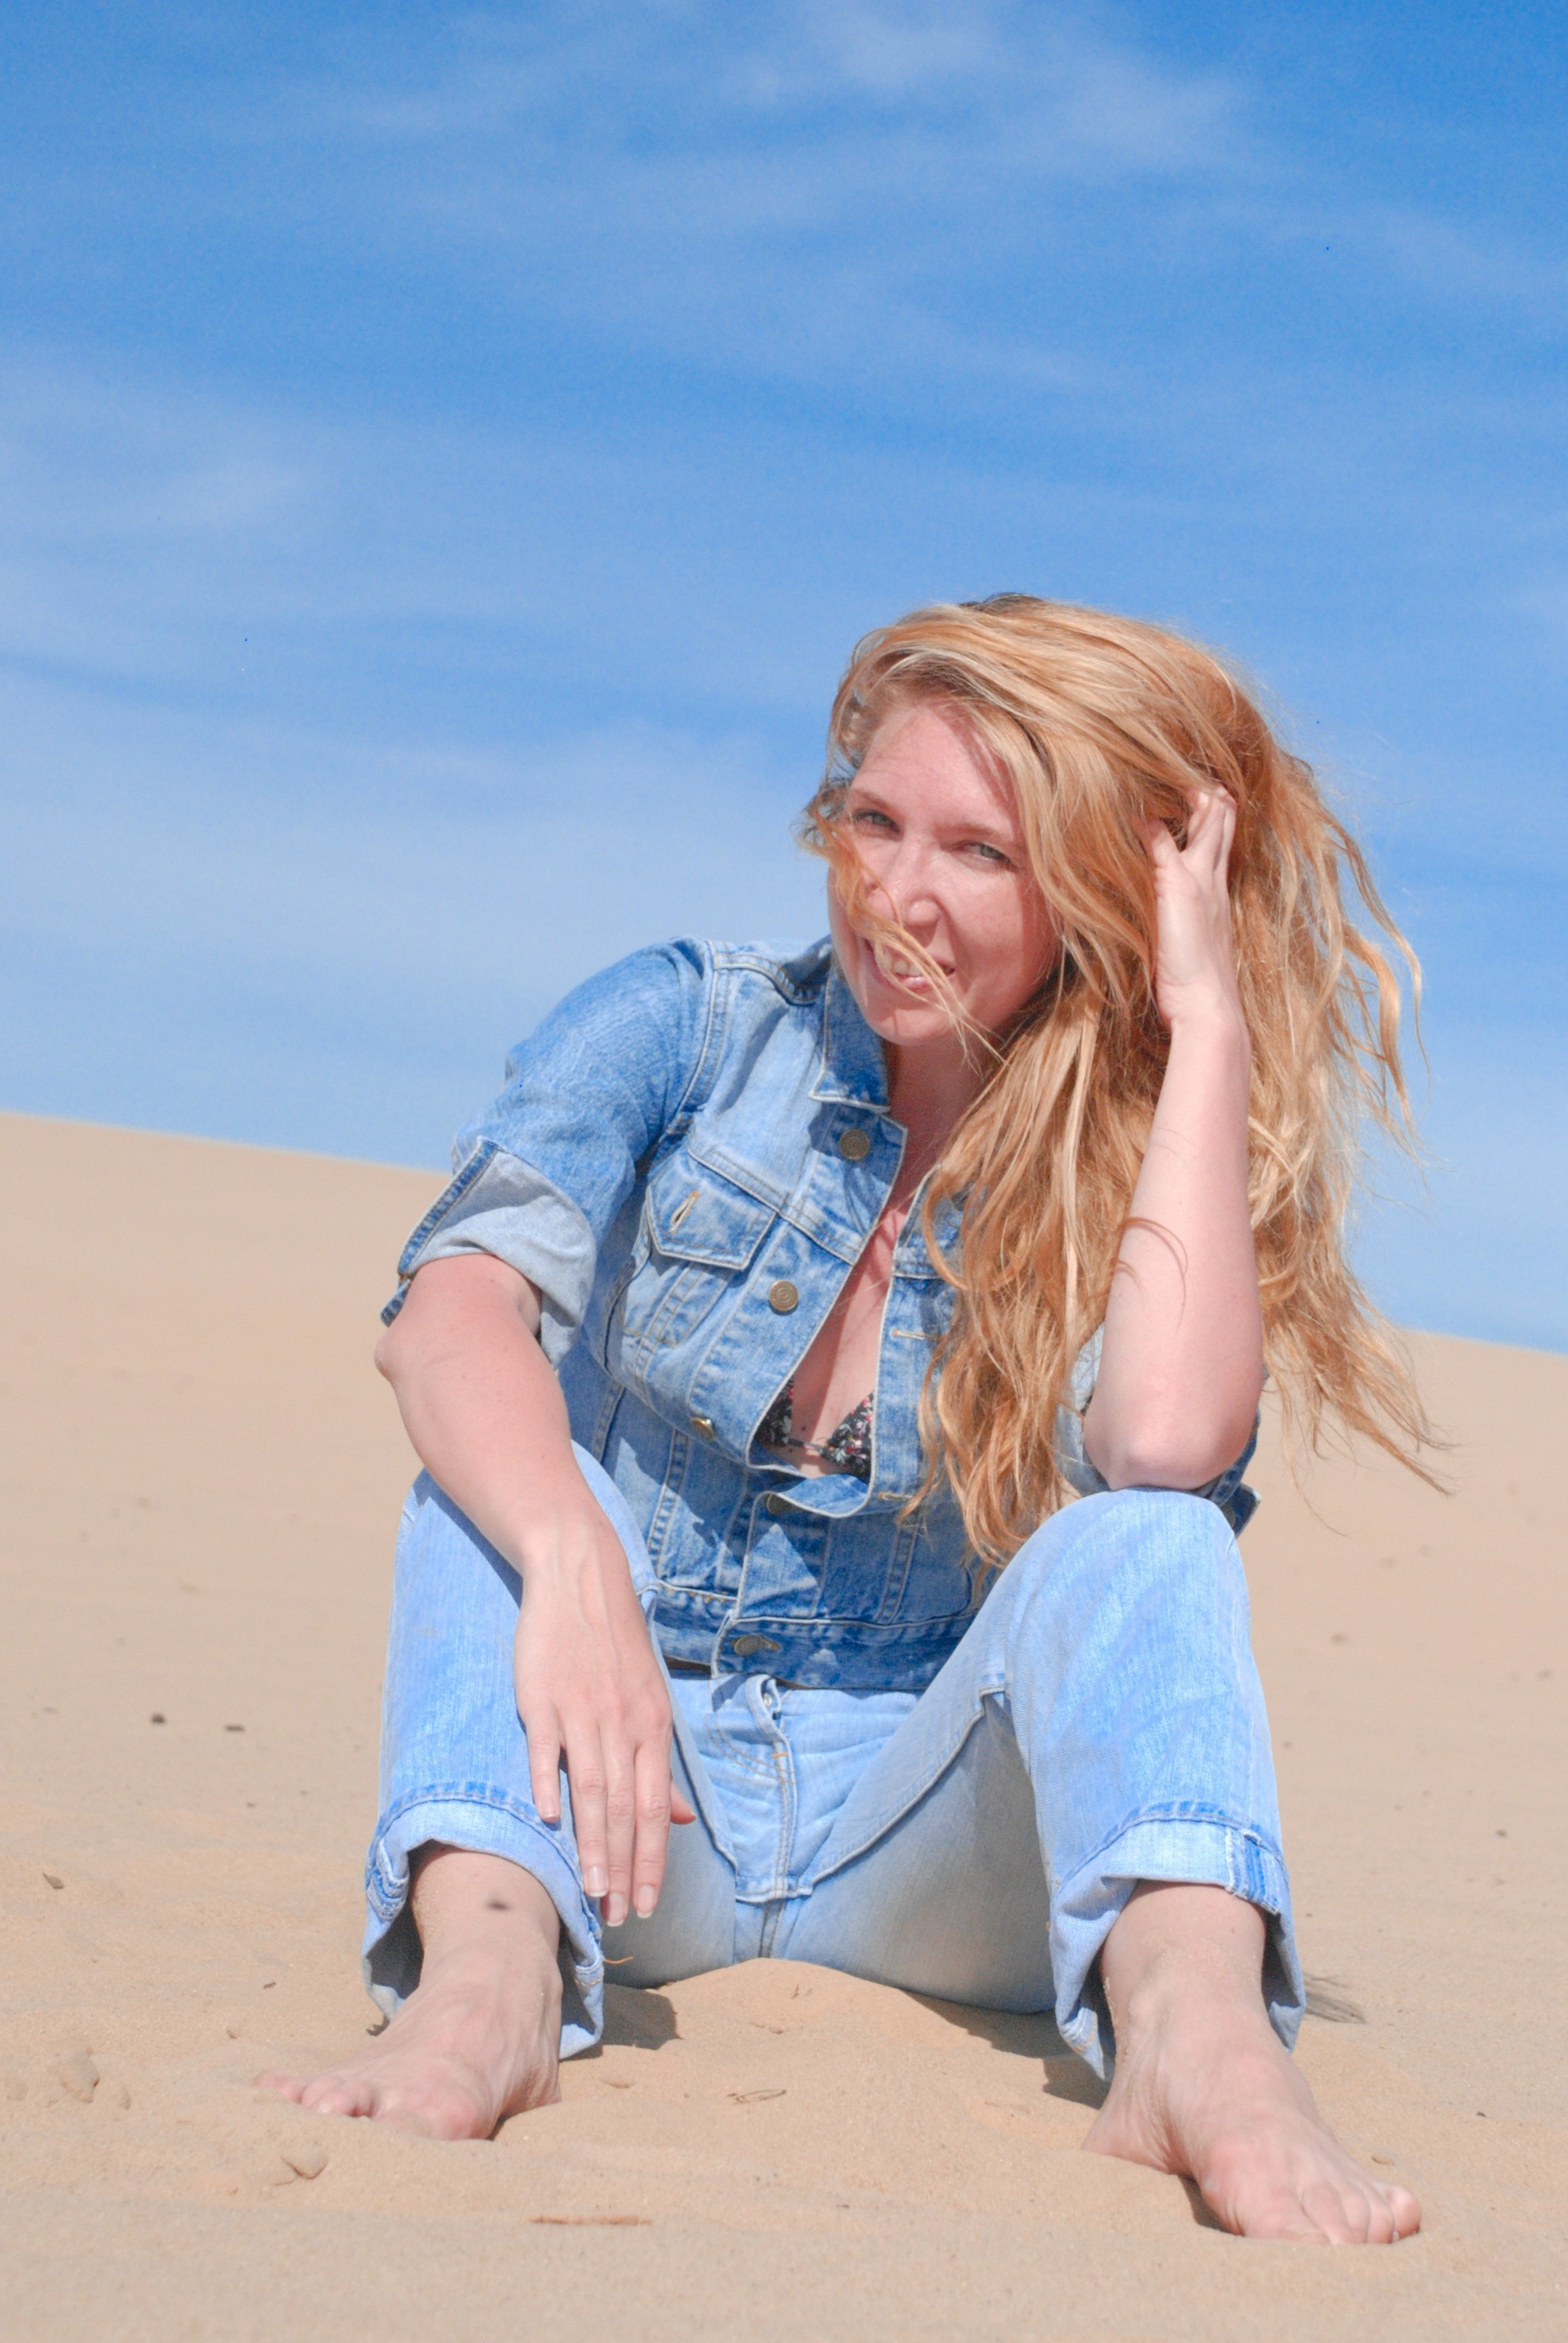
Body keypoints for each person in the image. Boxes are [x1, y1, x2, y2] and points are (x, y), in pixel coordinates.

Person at [264, 595, 1431, 2243]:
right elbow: (451, 1312)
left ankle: (1205, 2051)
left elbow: (1166, 1448)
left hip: (931, 1849)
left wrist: (1206, 1026)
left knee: (1155, 1542)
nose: (897, 894)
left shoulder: (1133, 1150)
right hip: (630, 1800)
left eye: (980, 851)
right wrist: (578, 1561)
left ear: (1094, 886)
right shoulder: (686, 1029)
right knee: (486, 1492)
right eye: (874, 822)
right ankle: (487, 1991)